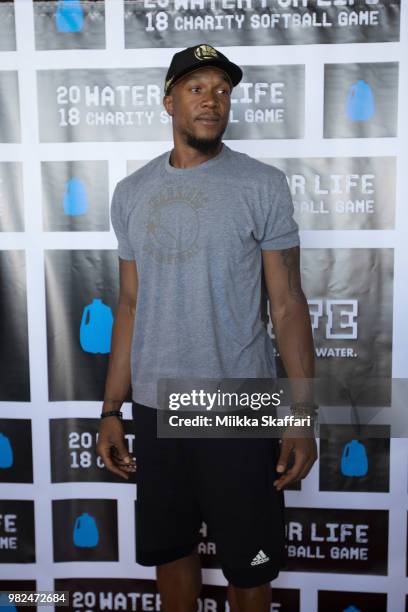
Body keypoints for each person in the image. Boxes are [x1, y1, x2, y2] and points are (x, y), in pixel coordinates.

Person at [96, 43, 317, 612]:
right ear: (168, 102)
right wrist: (111, 410)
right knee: (171, 556)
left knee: (250, 567)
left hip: (234, 404)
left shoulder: (261, 184)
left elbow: (289, 304)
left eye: (223, 90)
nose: (213, 101)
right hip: (155, 405)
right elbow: (128, 303)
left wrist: (300, 416)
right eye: (197, 89)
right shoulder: (131, 193)